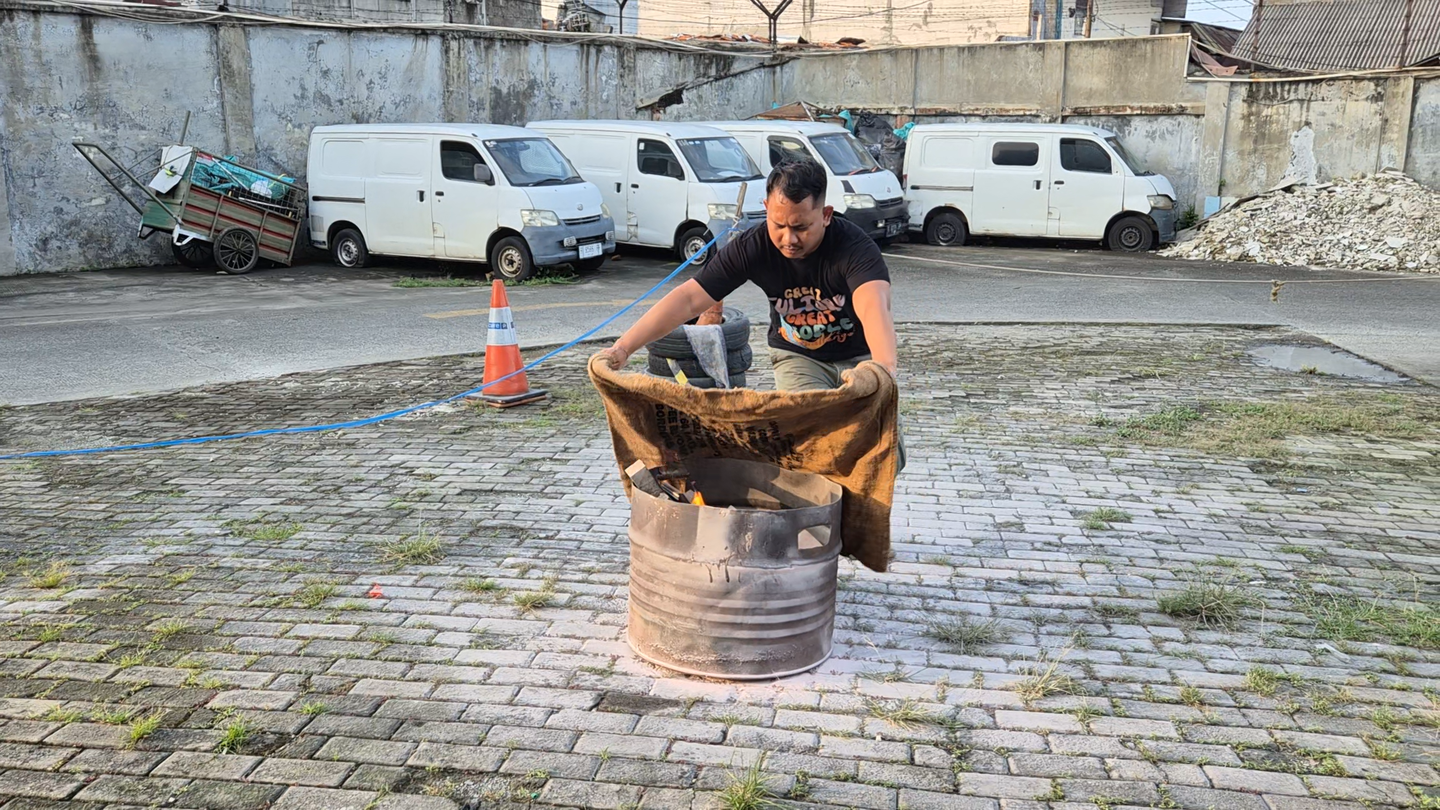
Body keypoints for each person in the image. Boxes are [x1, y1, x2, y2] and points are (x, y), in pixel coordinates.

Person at [600, 157, 903, 467]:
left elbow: (874, 308)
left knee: (885, 453)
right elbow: (690, 299)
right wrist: (623, 347)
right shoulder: (753, 246)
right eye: (779, 225)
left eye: (801, 227)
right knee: (808, 447)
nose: (789, 239)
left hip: (860, 356)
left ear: (825, 215)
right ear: (766, 208)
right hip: (799, 356)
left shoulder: (856, 248)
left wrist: (883, 371)